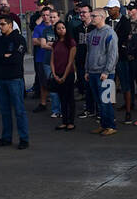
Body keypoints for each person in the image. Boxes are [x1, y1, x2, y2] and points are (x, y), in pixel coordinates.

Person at [0, 15, 29, 148]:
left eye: (3, 24)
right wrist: (4, 56)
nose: (0, 27)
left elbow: (16, 59)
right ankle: (6, 137)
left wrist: (3, 57)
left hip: (14, 79)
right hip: (0, 80)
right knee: (4, 111)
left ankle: (23, 139)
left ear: (10, 25)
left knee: (19, 110)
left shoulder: (19, 39)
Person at [85, 9, 119, 137]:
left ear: (102, 17)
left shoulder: (110, 33)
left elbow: (113, 54)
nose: (91, 17)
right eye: (91, 15)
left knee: (106, 100)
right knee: (99, 101)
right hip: (93, 71)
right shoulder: (92, 33)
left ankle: (111, 125)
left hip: (105, 73)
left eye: (94, 16)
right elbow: (89, 52)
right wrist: (87, 70)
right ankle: (103, 124)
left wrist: (107, 71)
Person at [50, 20, 78, 131]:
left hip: (68, 73)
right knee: (62, 98)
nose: (61, 30)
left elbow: (70, 62)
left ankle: (71, 121)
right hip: (58, 73)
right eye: (58, 28)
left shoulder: (71, 42)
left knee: (70, 97)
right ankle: (64, 121)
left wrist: (64, 77)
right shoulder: (55, 43)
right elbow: (52, 60)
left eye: (63, 28)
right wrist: (54, 74)